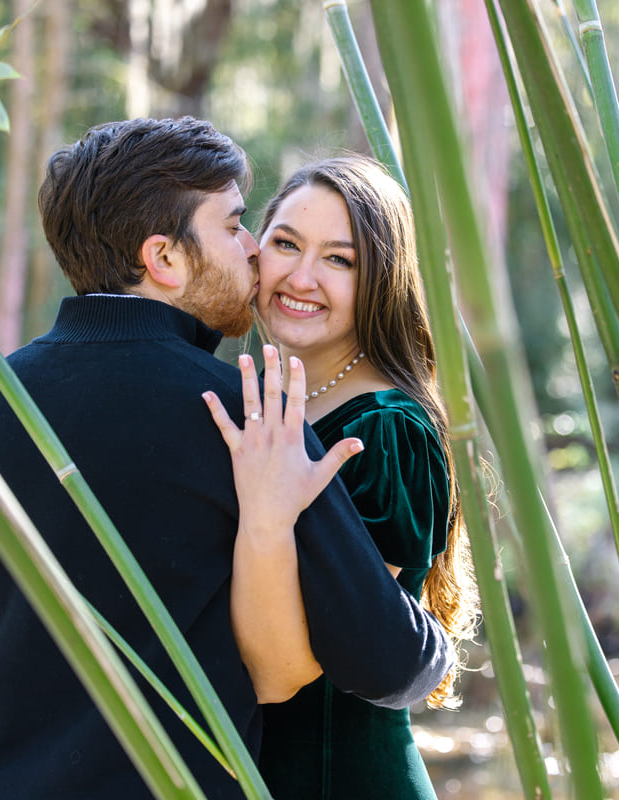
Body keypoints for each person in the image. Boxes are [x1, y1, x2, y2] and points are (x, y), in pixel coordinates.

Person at [0, 119, 452, 800]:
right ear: (165, 258)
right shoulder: (245, 419)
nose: (254, 251)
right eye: (236, 226)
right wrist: (435, 644)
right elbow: (390, 661)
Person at [204, 155, 480, 799]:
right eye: (286, 244)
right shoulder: (271, 398)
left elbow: (304, 664)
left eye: (340, 260)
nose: (301, 277)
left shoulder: (388, 430)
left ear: (381, 280)